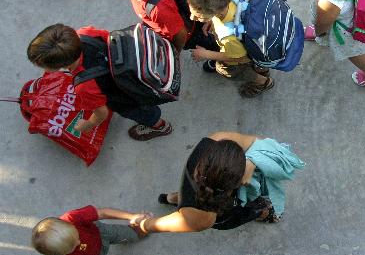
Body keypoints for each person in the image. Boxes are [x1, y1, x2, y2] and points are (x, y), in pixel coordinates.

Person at [130, 131, 304, 233]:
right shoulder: (201, 218)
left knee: (184, 195)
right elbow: (157, 226)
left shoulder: (216, 142)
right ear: (239, 184)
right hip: (216, 213)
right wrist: (143, 224)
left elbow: (254, 141)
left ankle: (170, 198)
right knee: (258, 208)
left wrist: (250, 162)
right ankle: (266, 214)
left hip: (191, 190)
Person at [27, 24, 172, 141]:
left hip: (127, 97)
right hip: (131, 70)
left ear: (55, 67)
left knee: (142, 113)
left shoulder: (84, 86)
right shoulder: (85, 33)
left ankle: (160, 126)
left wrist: (88, 125)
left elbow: (101, 112)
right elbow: (109, 39)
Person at [187, 0, 274, 98]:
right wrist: (211, 19)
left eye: (198, 16)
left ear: (218, 12)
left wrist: (205, 54)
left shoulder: (227, 35)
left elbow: (237, 57)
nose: (192, 18)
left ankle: (263, 82)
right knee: (258, 58)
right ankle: (262, 68)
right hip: (261, 34)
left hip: (244, 50)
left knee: (224, 68)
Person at [31, 205, 150, 255]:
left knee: (134, 235)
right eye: (72, 248)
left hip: (101, 233)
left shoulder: (72, 217)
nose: (79, 243)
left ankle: (137, 233)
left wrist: (132, 216)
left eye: (76, 236)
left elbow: (103, 213)